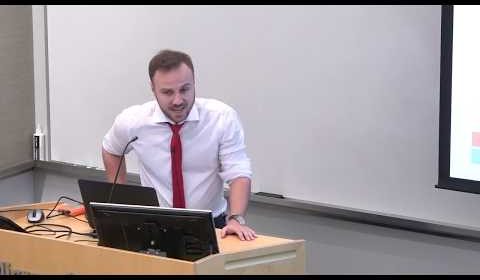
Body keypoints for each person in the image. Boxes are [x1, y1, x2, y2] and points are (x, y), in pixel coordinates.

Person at [101, 49, 256, 241]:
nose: (178, 100)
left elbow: (238, 173)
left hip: (210, 224)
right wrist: (119, 201)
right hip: (154, 224)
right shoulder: (134, 120)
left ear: (194, 83)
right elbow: (111, 149)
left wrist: (236, 219)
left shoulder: (221, 118)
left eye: (185, 89)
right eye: (167, 92)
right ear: (153, 88)